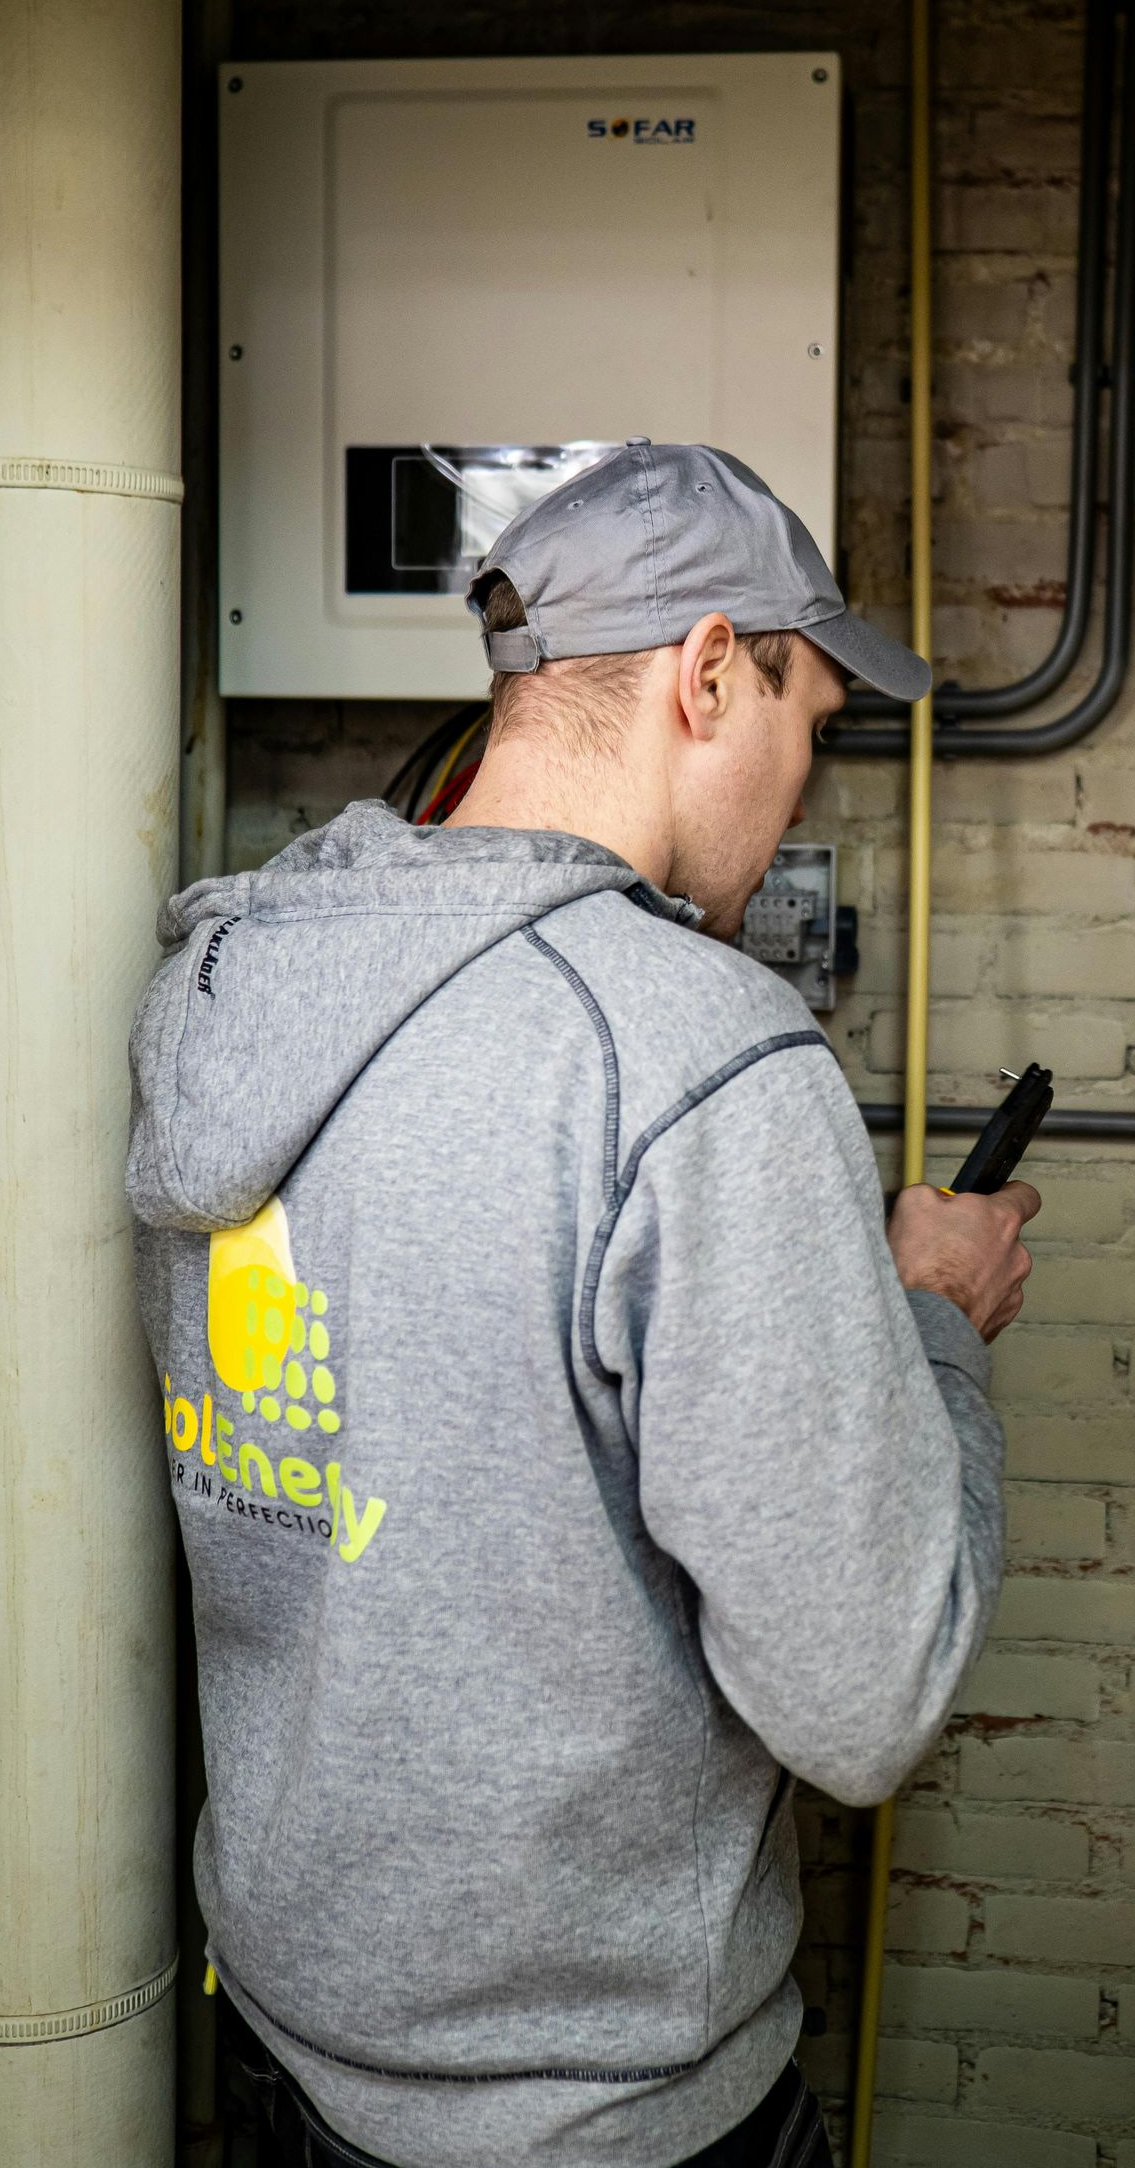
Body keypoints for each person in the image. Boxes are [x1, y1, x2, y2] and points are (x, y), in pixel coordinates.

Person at [128, 439, 1040, 2168]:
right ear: (711, 671)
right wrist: (927, 1324)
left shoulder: (230, 979)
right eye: (814, 724)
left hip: (276, 2056)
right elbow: (869, 1696)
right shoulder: (697, 1059)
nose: (805, 786)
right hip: (602, 2119)